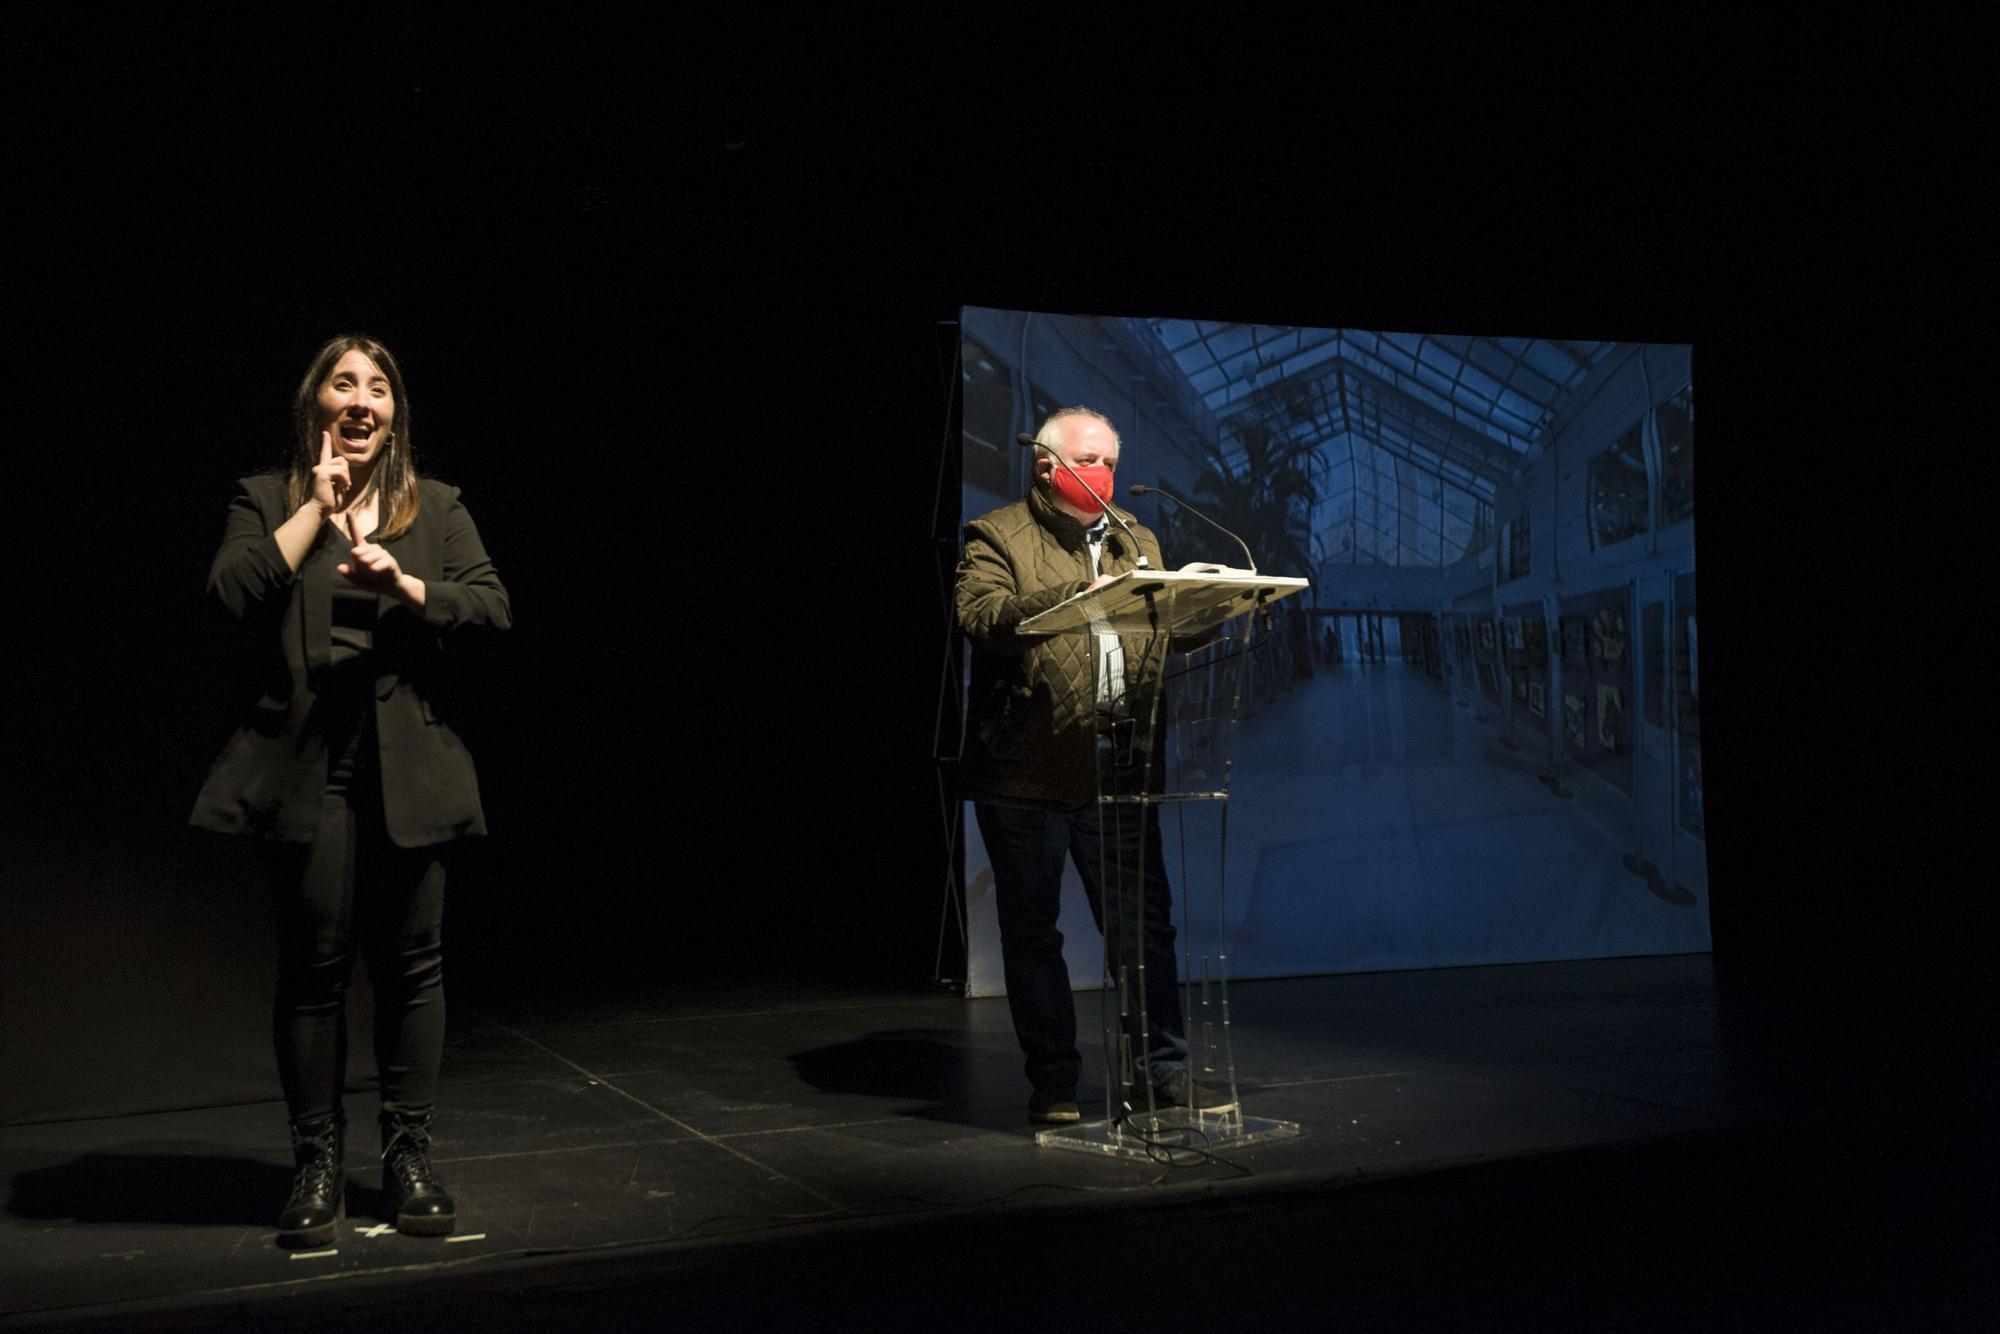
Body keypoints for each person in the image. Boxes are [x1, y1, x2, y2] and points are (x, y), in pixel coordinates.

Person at [190, 335, 510, 1247]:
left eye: (378, 387)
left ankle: (408, 1158)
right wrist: (313, 516)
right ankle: (317, 1164)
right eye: (344, 384)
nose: (361, 400)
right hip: (308, 769)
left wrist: (407, 583)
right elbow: (230, 594)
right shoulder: (267, 500)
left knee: (414, 969)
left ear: (394, 413)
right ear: (317, 408)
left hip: (407, 764)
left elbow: (491, 604)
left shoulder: (434, 506)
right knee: (315, 968)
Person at [956, 406, 1230, 1125]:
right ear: (1047, 466)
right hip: (1028, 771)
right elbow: (980, 616)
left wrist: (1213, 609)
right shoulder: (998, 534)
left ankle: (1160, 1075)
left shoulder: (1138, 537)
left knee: (1143, 931)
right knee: (1033, 934)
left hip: (1122, 764)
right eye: (1092, 461)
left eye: (1113, 460)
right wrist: (1070, 599)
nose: (1107, 474)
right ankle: (1052, 1082)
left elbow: (1157, 631)